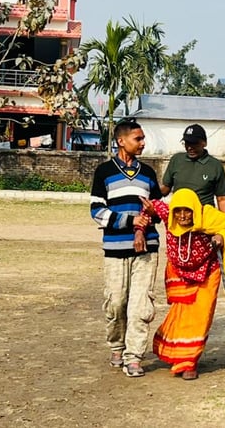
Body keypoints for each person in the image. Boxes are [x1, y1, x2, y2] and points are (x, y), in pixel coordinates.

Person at [89, 118, 162, 378]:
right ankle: (117, 346)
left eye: (143, 139)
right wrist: (131, 221)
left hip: (147, 249)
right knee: (116, 302)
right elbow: (96, 211)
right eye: (137, 139)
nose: (142, 143)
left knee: (140, 306)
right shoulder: (104, 172)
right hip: (115, 248)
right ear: (121, 141)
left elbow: (158, 210)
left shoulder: (149, 174)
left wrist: (150, 217)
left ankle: (134, 356)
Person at [139, 189, 225, 380]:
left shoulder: (206, 216)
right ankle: (178, 355)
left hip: (208, 272)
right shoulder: (168, 214)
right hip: (180, 273)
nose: (182, 216)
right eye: (178, 211)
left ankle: (189, 361)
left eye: (187, 211)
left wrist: (221, 237)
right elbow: (148, 209)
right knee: (181, 316)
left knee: (200, 317)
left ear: (195, 210)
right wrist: (139, 231)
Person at [161, 124, 225, 213]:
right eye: (187, 143)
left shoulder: (215, 165)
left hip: (204, 220)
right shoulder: (176, 160)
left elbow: (222, 199)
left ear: (204, 143)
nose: (190, 148)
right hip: (179, 218)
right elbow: (166, 188)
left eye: (194, 144)